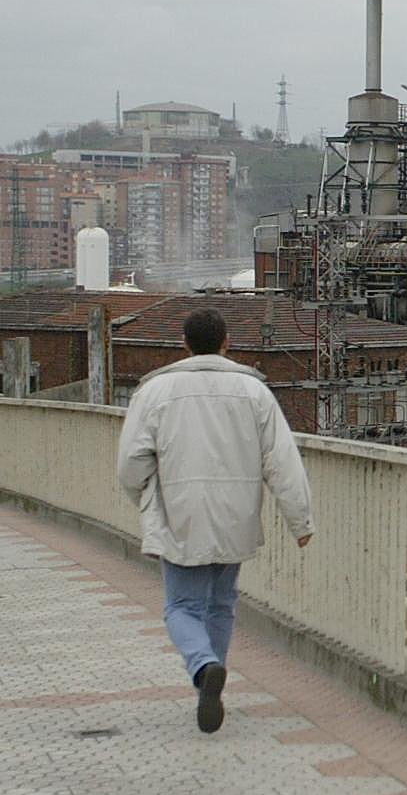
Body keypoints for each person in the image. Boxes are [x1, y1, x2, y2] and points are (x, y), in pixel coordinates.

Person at [117, 308, 313, 733]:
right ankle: (213, 678)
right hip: (236, 514)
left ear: (184, 345)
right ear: (227, 343)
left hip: (180, 512)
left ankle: (204, 666)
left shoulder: (155, 391)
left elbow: (131, 462)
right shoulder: (254, 391)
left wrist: (145, 498)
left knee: (181, 605)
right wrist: (300, 521)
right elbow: (282, 461)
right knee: (221, 603)